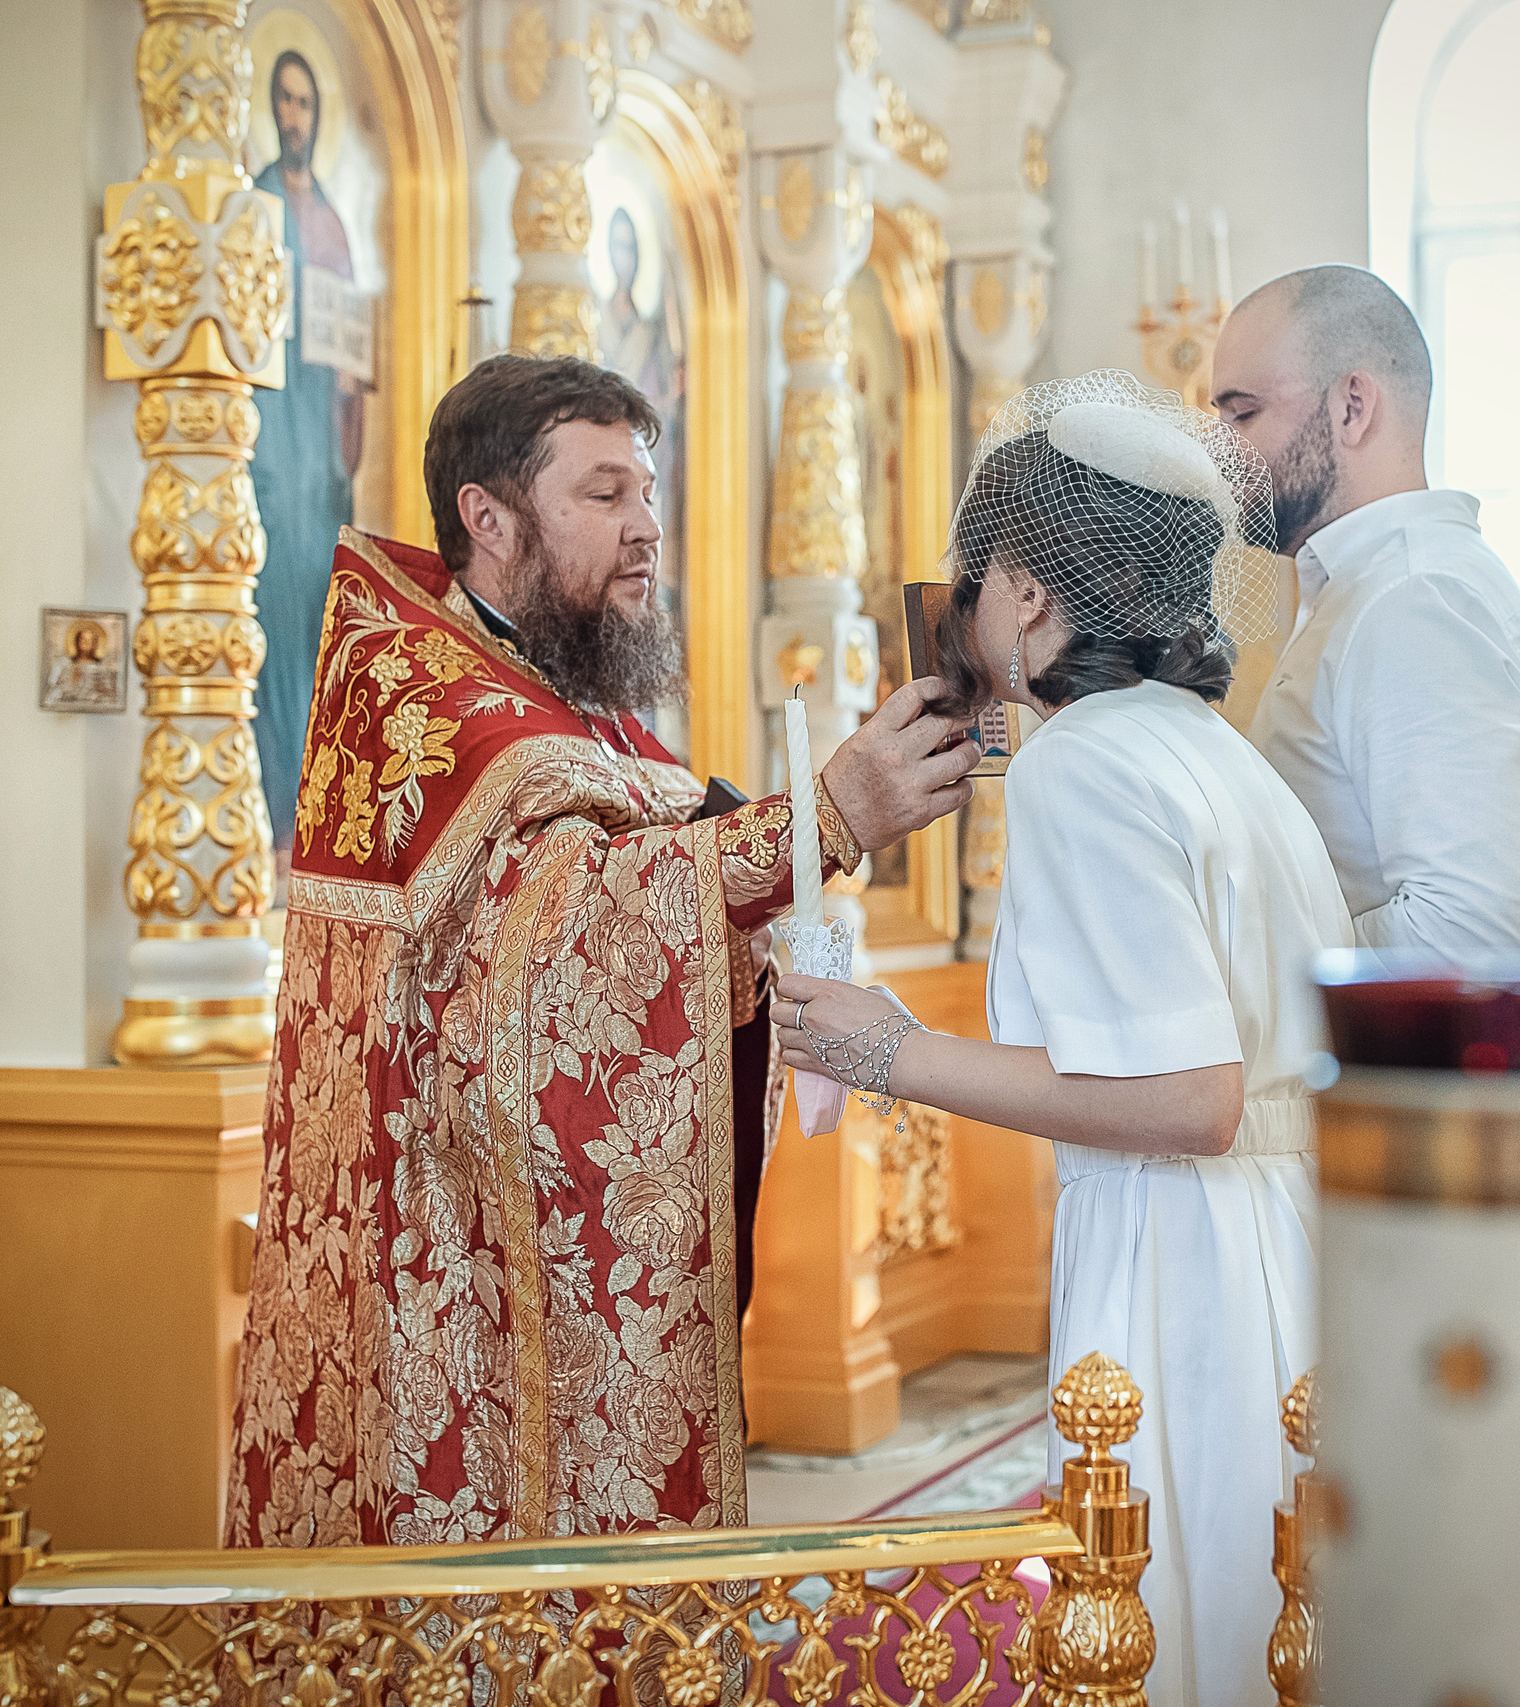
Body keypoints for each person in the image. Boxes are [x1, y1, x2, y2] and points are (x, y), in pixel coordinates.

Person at [224, 355, 977, 1548]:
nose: (647, 532)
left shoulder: (569, 700)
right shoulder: (430, 701)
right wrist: (823, 818)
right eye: (605, 495)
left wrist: (782, 890)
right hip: (447, 1266)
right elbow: (564, 932)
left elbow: (657, 884)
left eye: (648, 497)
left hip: (540, 1241)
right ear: (490, 515)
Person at [774, 372, 1352, 1707]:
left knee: (1178, 1621)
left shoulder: (1082, 762)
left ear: (1025, 592)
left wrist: (887, 1049)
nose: (968, 623)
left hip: (1186, 1256)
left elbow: (1190, 1094)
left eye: (972, 590)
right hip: (1293, 1240)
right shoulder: (1218, 755)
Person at [1211, 264, 1520, 956]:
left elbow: (1473, 937)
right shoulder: (1367, 589)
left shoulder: (1417, 600)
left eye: (1243, 413)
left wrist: (1246, 981)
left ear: (1353, 405)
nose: (1219, 450)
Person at [253, 48, 371, 855]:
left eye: (305, 102)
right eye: (284, 101)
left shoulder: (330, 219)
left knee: (314, 616)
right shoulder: (255, 203)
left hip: (318, 454)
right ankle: (270, 804)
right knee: (269, 618)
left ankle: (310, 812)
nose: (294, 116)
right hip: (270, 442)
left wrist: (354, 392)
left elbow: (352, 343)